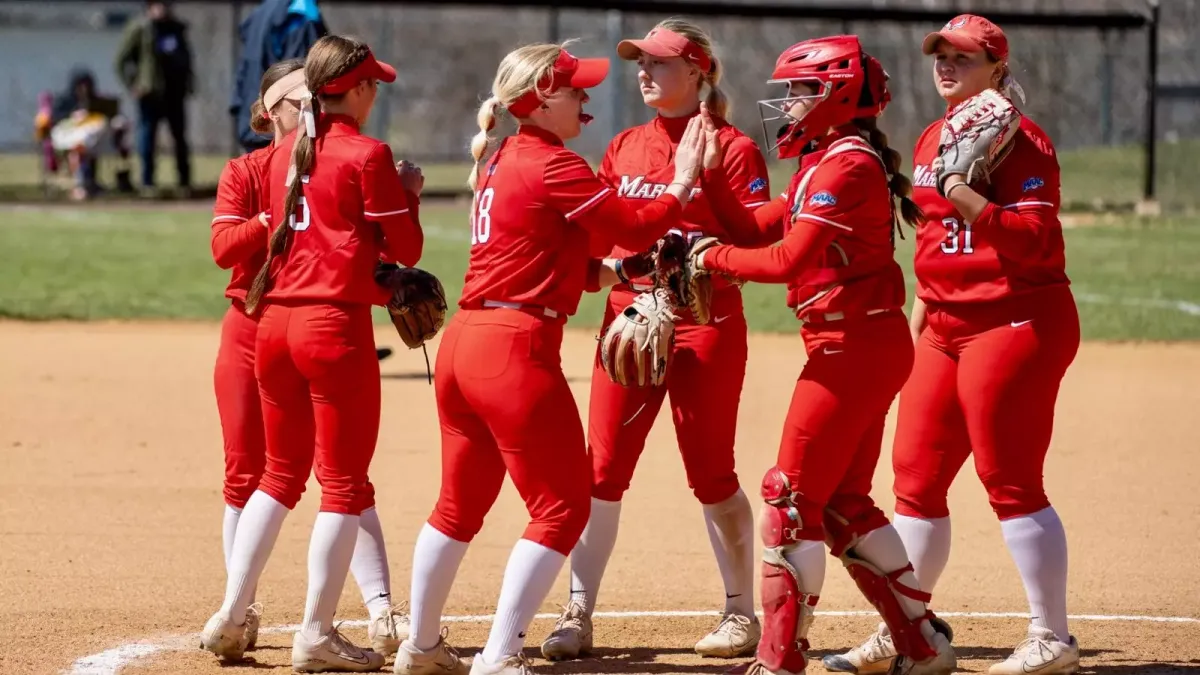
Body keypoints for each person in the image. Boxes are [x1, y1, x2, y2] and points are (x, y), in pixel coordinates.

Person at [393, 41, 706, 675]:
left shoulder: (502, 155)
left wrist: (614, 269)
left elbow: (554, 256)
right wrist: (680, 184)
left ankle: (420, 645)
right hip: (514, 351)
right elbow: (636, 220)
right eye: (574, 89)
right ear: (539, 100)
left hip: (466, 345)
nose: (586, 97)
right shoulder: (553, 164)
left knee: (457, 504)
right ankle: (499, 655)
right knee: (563, 506)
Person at [688, 35, 957, 675]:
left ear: (836, 94)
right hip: (857, 343)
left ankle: (778, 662)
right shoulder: (824, 156)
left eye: (801, 91)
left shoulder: (848, 165)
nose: (788, 102)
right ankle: (922, 646)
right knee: (840, 504)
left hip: (854, 348)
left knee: (790, 500)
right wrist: (706, 177)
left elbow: (786, 261)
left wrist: (708, 258)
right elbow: (757, 228)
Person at [829, 15, 1080, 675]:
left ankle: (1052, 636)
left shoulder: (1024, 142)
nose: (946, 63)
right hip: (941, 323)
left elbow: (1036, 244)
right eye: (940, 53)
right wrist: (912, 330)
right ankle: (910, 626)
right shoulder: (935, 135)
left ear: (997, 66)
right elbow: (934, 251)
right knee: (913, 479)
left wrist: (964, 190)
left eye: (963, 56)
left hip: (1015, 319)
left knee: (1011, 480)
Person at [539, 18, 770, 662]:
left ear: (698, 72)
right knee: (603, 472)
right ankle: (577, 613)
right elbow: (602, 241)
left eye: (660, 62)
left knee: (711, 473)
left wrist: (705, 220)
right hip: (631, 320)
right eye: (640, 61)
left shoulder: (734, 148)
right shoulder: (624, 147)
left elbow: (752, 240)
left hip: (705, 323)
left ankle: (738, 613)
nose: (644, 71)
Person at [200, 34, 425, 672]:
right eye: (371, 84)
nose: (376, 93)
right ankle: (316, 632)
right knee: (344, 485)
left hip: (272, 326)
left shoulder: (279, 160)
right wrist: (406, 193)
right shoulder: (365, 152)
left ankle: (232, 609)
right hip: (332, 331)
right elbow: (403, 248)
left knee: (278, 475)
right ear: (353, 90)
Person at [113, 0, 194, 195]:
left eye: (166, 5)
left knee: (179, 138)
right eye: (158, 5)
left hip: (175, 93)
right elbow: (121, 61)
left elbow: (187, 58)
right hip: (150, 94)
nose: (163, 9)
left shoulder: (176, 29)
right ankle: (148, 181)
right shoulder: (140, 28)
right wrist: (134, 85)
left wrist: (189, 82)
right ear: (150, 7)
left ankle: (184, 182)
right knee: (147, 137)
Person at [231, 0, 329, 153]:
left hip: (254, 116)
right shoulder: (301, 13)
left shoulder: (261, 11)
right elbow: (299, 75)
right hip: (283, 126)